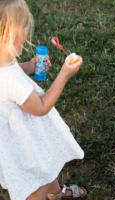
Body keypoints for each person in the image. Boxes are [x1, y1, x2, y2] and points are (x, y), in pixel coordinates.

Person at [0, 0, 87, 199]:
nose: (27, 28)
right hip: (22, 140)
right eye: (22, 24)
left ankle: (56, 192)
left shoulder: (3, 59)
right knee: (36, 182)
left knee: (45, 161)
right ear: (6, 34)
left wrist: (29, 67)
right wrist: (64, 74)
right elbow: (40, 107)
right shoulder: (12, 81)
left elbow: (7, 72)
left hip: (12, 135)